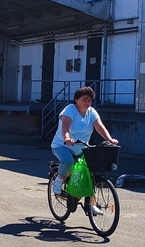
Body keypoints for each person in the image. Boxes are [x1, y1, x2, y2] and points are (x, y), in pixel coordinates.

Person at [51, 86, 118, 215]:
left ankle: (90, 204)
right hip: (62, 145)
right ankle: (58, 181)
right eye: (84, 100)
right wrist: (67, 138)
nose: (87, 103)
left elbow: (99, 127)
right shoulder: (70, 110)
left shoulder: (91, 112)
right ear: (76, 100)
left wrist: (109, 139)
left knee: (90, 173)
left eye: (89, 100)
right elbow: (65, 126)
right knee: (68, 162)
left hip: (81, 147)